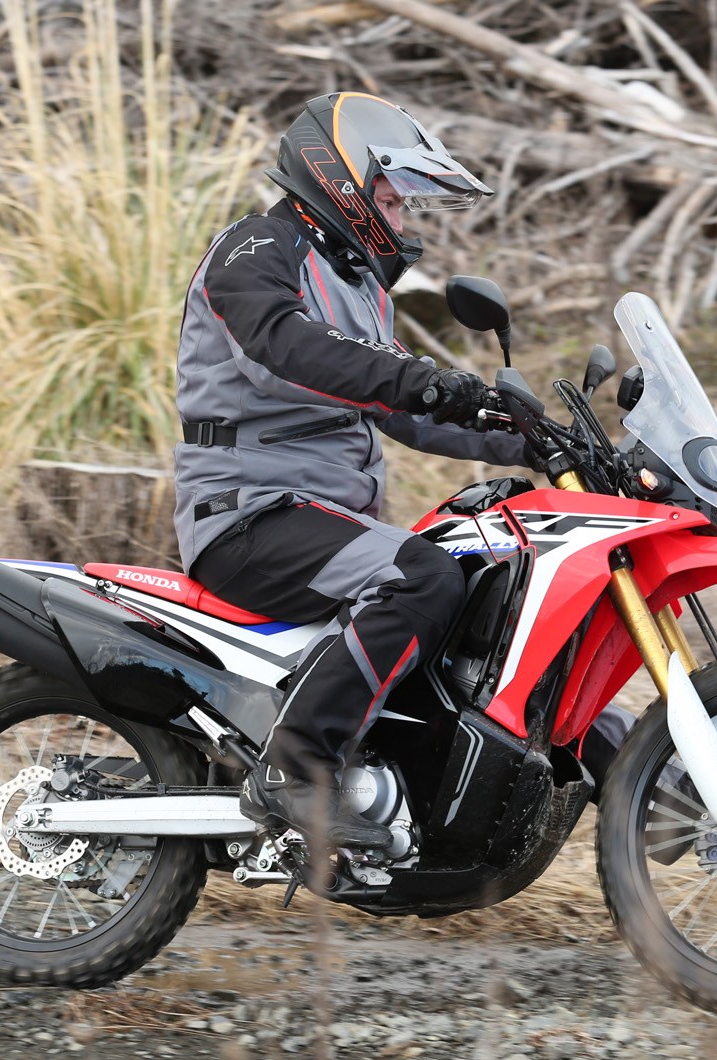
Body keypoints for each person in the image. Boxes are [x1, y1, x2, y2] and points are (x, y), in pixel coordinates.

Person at [172, 92, 523, 850]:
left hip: (322, 519)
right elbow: (283, 346)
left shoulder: (359, 285)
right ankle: (296, 769)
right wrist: (419, 378)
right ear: (343, 179)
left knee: (481, 584)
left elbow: (401, 408)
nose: (402, 218)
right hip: (248, 513)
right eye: (392, 199)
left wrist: (526, 435)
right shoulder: (255, 247)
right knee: (422, 577)